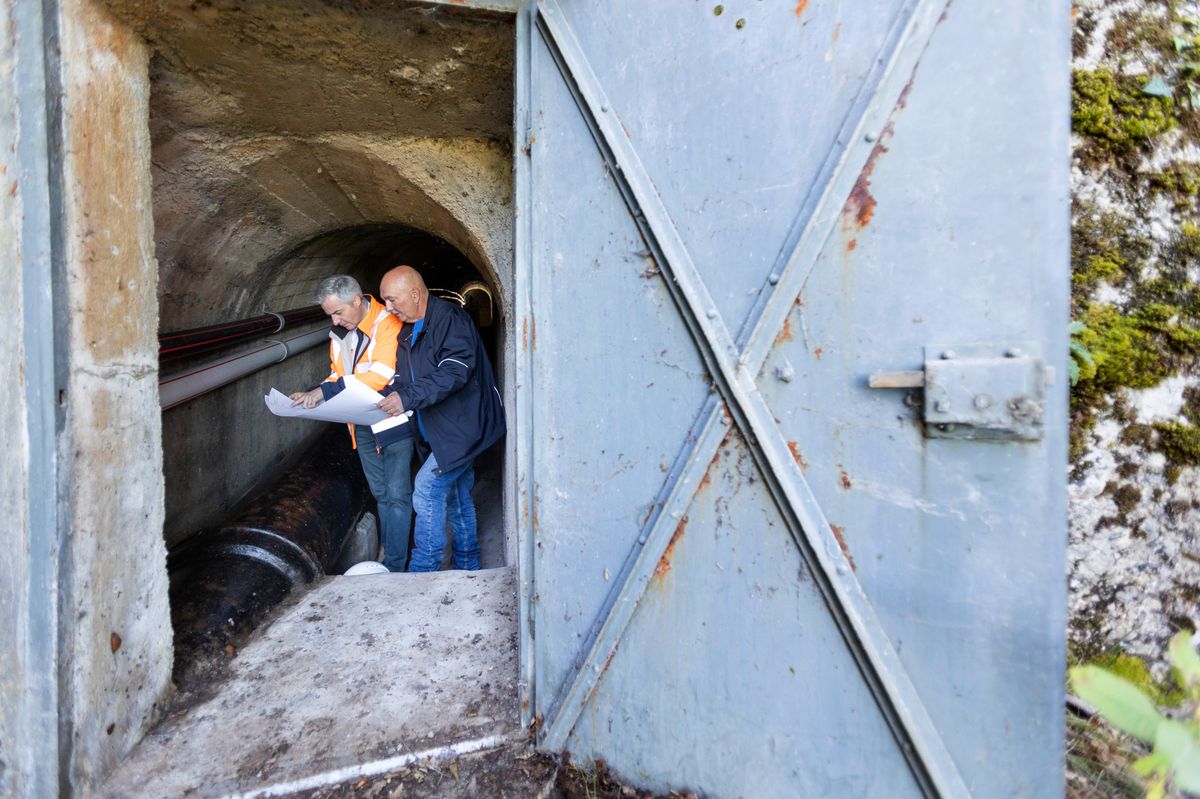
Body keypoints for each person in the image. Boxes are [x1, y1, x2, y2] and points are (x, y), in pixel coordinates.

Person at [376, 265, 505, 572]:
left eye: (392, 300)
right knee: (458, 496)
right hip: (440, 431)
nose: (389, 308)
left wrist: (405, 398)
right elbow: (405, 378)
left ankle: (425, 571)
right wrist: (385, 394)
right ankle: (468, 565)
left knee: (426, 488)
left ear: (415, 293)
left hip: (463, 427)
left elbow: (454, 370)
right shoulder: (408, 332)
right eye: (385, 301)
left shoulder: (450, 319)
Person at [289, 275, 414, 572]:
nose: (334, 319)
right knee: (382, 494)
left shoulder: (387, 322)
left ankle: (397, 566)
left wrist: (327, 391)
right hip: (361, 424)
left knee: (397, 495)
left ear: (356, 301)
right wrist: (313, 396)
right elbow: (337, 374)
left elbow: (380, 375)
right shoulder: (340, 334)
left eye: (338, 312)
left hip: (391, 422)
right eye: (330, 314)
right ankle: (393, 552)